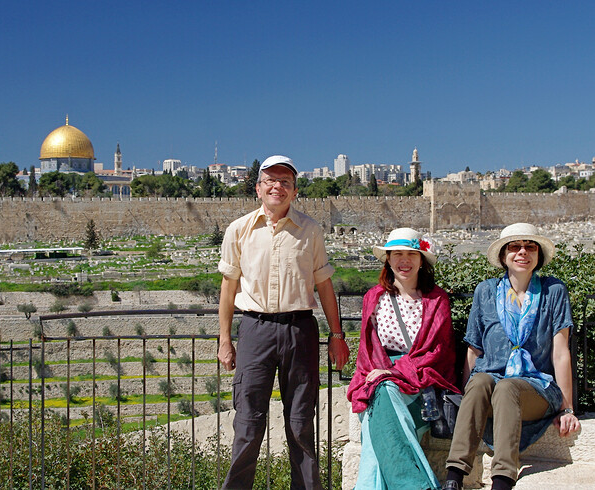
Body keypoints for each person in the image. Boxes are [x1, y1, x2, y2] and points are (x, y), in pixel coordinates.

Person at [217, 155, 350, 490]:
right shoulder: (239, 230)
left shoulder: (310, 230)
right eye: (271, 181)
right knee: (247, 423)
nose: (278, 186)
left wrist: (337, 335)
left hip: (299, 330)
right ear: (259, 189)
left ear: (294, 191)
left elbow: (324, 285)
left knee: (301, 422)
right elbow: (229, 285)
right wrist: (224, 339)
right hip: (254, 330)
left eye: (285, 182)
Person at [443, 223, 581, 490]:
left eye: (530, 247)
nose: (522, 252)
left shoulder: (553, 291)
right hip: (492, 384)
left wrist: (567, 408)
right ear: (503, 256)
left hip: (537, 388)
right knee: (481, 381)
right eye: (514, 247)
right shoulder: (485, 291)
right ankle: (454, 476)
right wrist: (468, 395)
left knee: (507, 387)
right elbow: (475, 349)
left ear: (538, 255)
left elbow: (561, 351)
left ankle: (503, 479)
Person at [346, 227, 459, 490]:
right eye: (397, 253)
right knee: (383, 395)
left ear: (421, 261)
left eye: (411, 254)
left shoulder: (436, 300)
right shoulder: (374, 298)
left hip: (423, 384)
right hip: (379, 380)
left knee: (377, 431)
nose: (404, 260)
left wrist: (394, 372)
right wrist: (385, 374)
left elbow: (438, 353)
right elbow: (368, 351)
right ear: (388, 259)